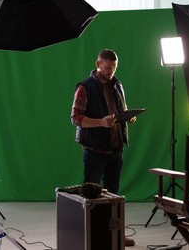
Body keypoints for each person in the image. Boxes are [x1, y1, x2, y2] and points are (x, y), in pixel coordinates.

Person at [70, 49, 136, 246]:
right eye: (108, 68)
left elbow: (119, 111)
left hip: (116, 149)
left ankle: (115, 235)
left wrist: (127, 117)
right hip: (94, 150)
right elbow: (75, 118)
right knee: (90, 196)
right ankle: (87, 236)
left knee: (114, 196)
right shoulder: (85, 87)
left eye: (114, 68)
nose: (111, 72)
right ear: (97, 64)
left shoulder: (118, 85)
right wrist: (100, 122)